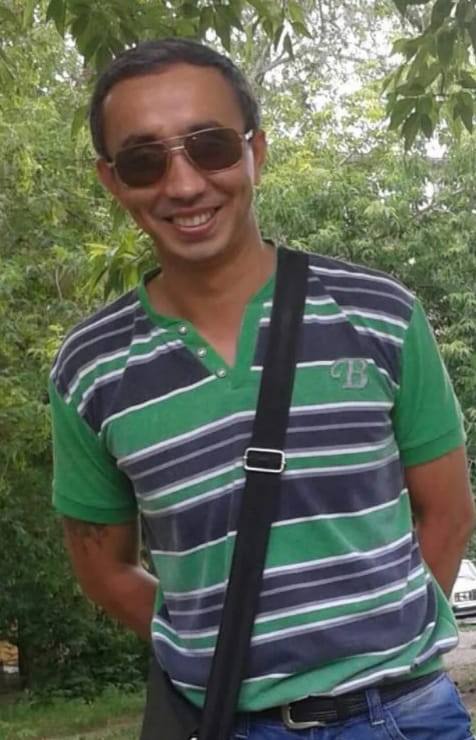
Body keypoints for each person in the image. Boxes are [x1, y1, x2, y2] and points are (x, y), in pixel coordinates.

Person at [49, 38, 476, 739]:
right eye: (145, 160)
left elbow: (449, 512)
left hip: (404, 718)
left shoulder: (379, 314)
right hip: (229, 725)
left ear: (257, 150)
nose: (184, 184)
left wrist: (375, 643)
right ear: (112, 180)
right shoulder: (90, 368)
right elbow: (105, 570)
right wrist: (214, 651)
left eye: (210, 146)